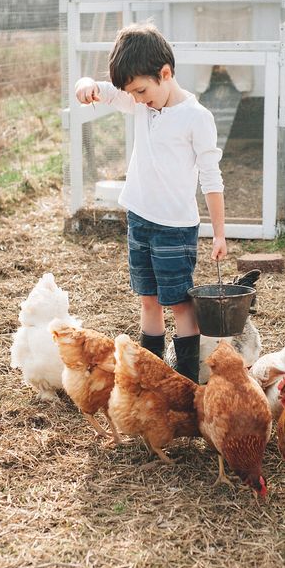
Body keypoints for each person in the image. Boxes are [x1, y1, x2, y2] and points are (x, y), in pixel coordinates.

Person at [75, 23, 227, 383]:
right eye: (133, 92)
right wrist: (87, 85)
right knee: (148, 300)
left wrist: (219, 233)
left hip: (175, 226)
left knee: (179, 303)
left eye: (142, 90)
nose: (138, 98)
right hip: (140, 218)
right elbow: (105, 91)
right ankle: (151, 379)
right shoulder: (143, 103)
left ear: (165, 73)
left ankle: (187, 382)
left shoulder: (196, 117)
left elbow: (211, 177)